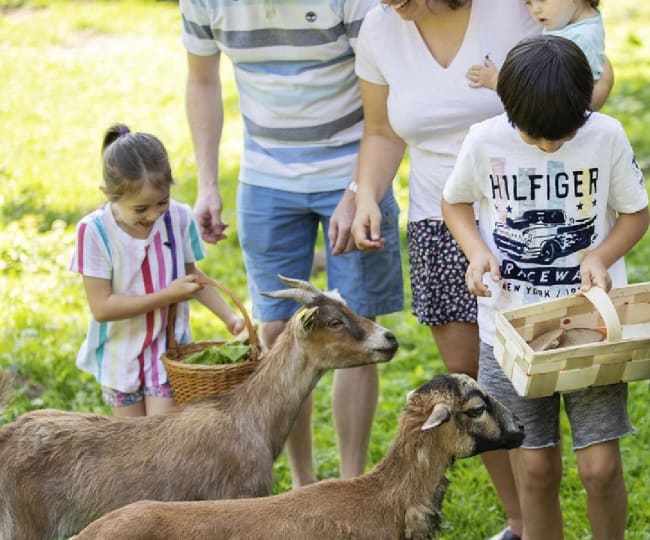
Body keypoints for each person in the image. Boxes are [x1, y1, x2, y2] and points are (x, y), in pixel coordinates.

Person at [349, 2, 561, 538]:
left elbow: (569, 85)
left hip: (522, 214)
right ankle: (519, 521)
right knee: (473, 381)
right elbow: (380, 131)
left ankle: (542, 514)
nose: (392, 4)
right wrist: (366, 195)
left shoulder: (515, 10)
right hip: (436, 219)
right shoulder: (379, 27)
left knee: (527, 370)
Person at [180, 0, 404, 487]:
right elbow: (201, 82)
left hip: (353, 168)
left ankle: (350, 486)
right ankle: (303, 488)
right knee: (279, 332)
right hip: (265, 176)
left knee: (358, 328)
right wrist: (208, 183)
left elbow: (385, 105)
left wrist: (358, 190)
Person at [442, 35, 650, 540]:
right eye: (536, 136)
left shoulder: (606, 137)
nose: (548, 147)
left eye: (560, 136)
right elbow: (455, 203)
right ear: (507, 106)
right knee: (535, 471)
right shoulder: (484, 139)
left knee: (600, 470)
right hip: (510, 333)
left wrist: (601, 256)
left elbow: (635, 214)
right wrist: (477, 252)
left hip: (589, 328)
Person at [71, 124, 246, 418]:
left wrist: (229, 317)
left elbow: (192, 276)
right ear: (109, 194)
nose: (153, 215)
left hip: (167, 352)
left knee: (162, 445)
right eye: (140, 209)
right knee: (132, 446)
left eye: (161, 202)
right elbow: (102, 307)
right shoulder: (94, 232)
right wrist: (166, 296)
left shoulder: (178, 217)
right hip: (120, 356)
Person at [467, 0, 611, 110]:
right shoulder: (578, 23)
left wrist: (497, 81)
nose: (535, 10)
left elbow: (546, 94)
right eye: (528, 3)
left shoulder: (578, 40)